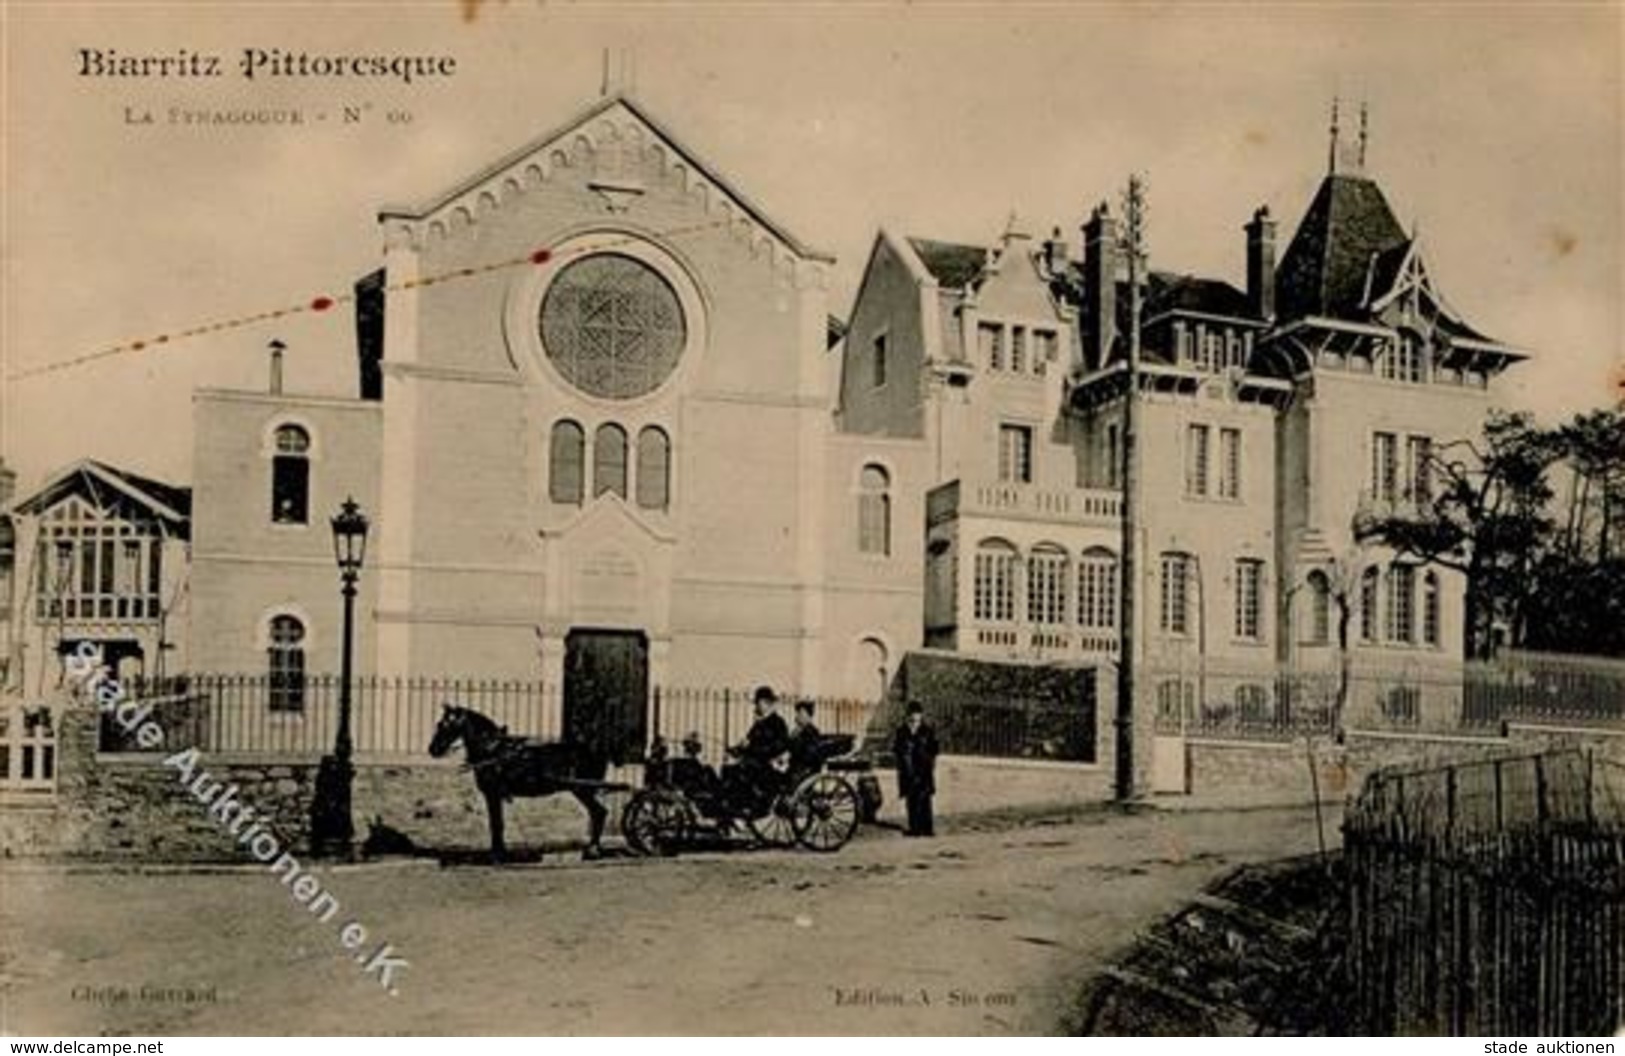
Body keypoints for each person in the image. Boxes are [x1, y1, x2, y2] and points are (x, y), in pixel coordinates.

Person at [726, 685, 791, 806]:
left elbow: (780, 746)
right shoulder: (759, 724)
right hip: (756, 761)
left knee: (740, 771)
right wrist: (736, 749)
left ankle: (745, 805)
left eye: (758, 702)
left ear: (767, 703)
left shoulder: (778, 723)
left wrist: (755, 750)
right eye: (757, 703)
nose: (757, 706)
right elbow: (748, 741)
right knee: (729, 770)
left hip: (768, 765)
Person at [892, 700, 939, 837]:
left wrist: (930, 762)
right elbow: (897, 749)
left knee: (925, 799)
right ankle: (915, 828)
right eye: (912, 717)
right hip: (908, 770)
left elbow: (934, 748)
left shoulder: (927, 730)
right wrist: (902, 764)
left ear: (921, 716)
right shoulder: (901, 731)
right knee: (912, 799)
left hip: (924, 770)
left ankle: (928, 828)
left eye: (917, 716)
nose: (914, 720)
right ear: (907, 716)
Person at [787, 699, 823, 775]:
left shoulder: (811, 732)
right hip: (794, 767)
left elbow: (810, 754)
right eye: (797, 713)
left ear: (808, 715)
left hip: (805, 770)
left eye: (801, 713)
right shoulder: (797, 731)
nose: (797, 716)